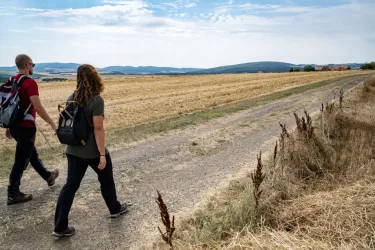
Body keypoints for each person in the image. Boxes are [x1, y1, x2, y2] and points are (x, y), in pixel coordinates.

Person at [53, 64, 130, 238]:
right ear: (95, 78)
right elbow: (98, 128)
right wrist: (102, 154)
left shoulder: (71, 97)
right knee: (106, 180)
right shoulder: (96, 100)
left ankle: (59, 227)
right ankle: (114, 209)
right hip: (92, 152)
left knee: (70, 186)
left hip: (72, 149)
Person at [5, 54, 59, 205]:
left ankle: (48, 176)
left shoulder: (12, 80)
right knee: (21, 160)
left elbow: (11, 105)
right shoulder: (30, 83)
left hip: (16, 126)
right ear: (28, 65)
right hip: (26, 127)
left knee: (30, 153)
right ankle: (12, 193)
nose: (33, 67)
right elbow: (38, 107)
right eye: (33, 64)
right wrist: (52, 123)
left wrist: (10, 126)